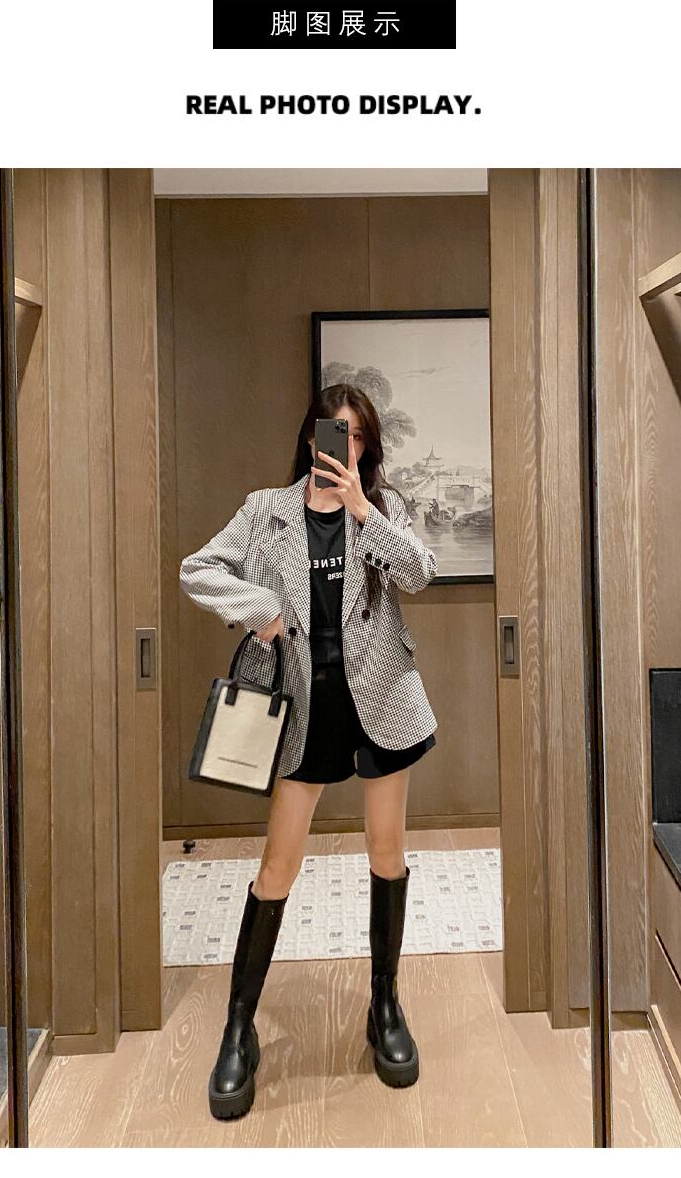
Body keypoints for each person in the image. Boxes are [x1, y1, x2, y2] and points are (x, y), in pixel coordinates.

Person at [179, 384, 439, 1120]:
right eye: (334, 433)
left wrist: (363, 510)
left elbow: (421, 572)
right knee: (278, 866)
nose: (343, 447)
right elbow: (197, 568)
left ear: (367, 447)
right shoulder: (266, 511)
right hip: (303, 705)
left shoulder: (381, 509)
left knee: (386, 853)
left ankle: (384, 1006)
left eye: (356, 437)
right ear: (310, 437)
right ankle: (240, 1026)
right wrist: (258, 608)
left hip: (380, 701)